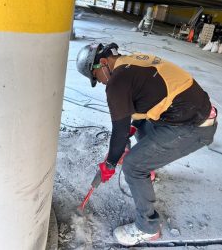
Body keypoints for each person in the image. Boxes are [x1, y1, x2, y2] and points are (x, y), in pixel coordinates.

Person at [76, 43, 218, 246]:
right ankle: (147, 168)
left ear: (103, 63)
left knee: (132, 166)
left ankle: (148, 228)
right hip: (189, 112)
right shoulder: (130, 62)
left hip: (193, 127)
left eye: (95, 77)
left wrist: (110, 164)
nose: (98, 82)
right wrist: (131, 128)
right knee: (140, 123)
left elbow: (119, 132)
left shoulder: (117, 82)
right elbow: (144, 102)